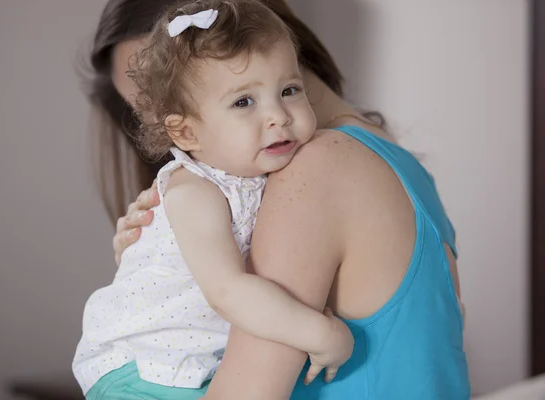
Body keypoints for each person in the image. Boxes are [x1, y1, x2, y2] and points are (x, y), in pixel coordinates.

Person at [84, 0, 471, 398]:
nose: (162, 125)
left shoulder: (316, 168)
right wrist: (162, 255)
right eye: (146, 109)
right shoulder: (393, 161)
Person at [73, 1, 355, 398]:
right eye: (243, 102)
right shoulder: (195, 190)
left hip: (186, 366)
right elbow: (228, 291)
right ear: (185, 133)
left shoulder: (268, 173)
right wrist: (318, 331)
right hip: (145, 369)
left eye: (289, 90)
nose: (278, 115)